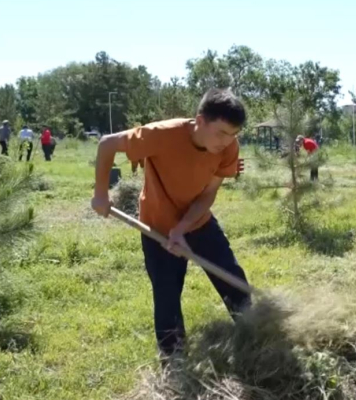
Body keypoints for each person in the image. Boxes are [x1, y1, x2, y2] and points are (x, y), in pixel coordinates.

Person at [90, 88, 252, 361]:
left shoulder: (228, 148)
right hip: (156, 228)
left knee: (234, 281)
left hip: (199, 223)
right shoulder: (162, 135)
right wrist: (101, 194)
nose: (227, 142)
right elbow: (107, 144)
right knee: (166, 298)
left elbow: (207, 194)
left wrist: (183, 228)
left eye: (233, 135)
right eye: (221, 133)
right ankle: (175, 363)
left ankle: (255, 335)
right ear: (200, 121)